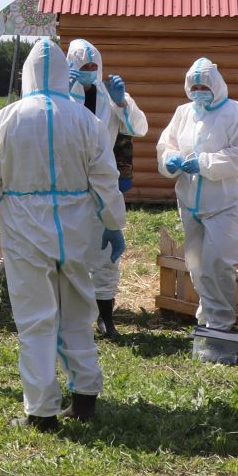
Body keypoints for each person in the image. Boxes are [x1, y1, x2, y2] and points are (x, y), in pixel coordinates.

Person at [0, 39, 125, 429]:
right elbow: (106, 179)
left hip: (25, 229)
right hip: (76, 228)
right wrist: (114, 224)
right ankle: (85, 398)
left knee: (36, 319)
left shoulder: (8, 117)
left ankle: (41, 411)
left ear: (27, 74)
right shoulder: (85, 119)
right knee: (78, 312)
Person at [156, 57, 238, 347]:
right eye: (194, 85)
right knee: (197, 263)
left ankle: (222, 324)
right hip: (190, 200)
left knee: (219, 263)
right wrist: (170, 160)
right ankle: (208, 317)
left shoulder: (237, 112)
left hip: (228, 201)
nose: (199, 90)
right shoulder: (183, 112)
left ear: (216, 85)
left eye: (205, 85)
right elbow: (167, 144)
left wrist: (204, 163)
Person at [66, 38, 147, 340]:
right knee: (71, 250)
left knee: (105, 253)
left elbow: (137, 127)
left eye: (93, 66)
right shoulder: (59, 93)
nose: (89, 70)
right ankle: (73, 314)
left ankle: (105, 317)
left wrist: (122, 102)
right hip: (69, 183)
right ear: (71, 66)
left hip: (103, 181)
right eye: (83, 66)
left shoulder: (110, 95)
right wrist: (67, 95)